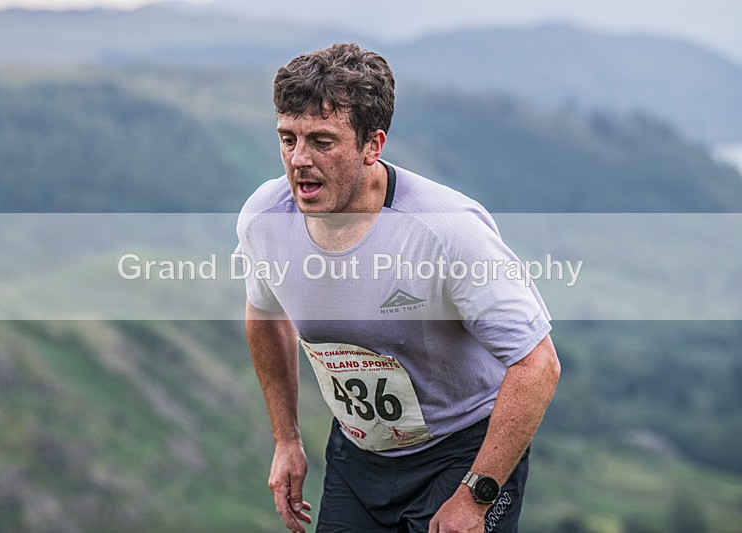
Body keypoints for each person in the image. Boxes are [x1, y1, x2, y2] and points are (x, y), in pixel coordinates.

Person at [237, 42, 560, 533]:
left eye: (322, 141)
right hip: (359, 453)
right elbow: (264, 317)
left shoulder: (445, 229)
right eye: (288, 138)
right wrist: (286, 439)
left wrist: (476, 497)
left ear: (373, 145)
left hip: (463, 450)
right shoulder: (265, 219)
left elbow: (538, 364)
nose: (298, 160)